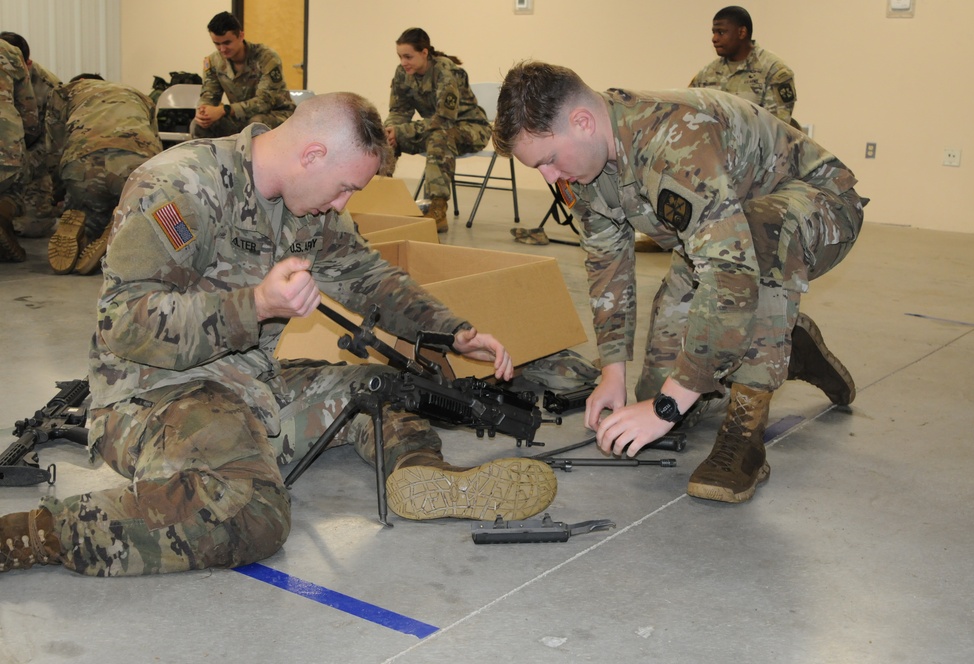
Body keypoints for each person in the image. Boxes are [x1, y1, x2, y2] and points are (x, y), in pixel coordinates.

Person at [0, 92, 557, 576]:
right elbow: (122, 324)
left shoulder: (310, 209)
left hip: (251, 385)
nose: (343, 206)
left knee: (380, 393)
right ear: (312, 155)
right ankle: (30, 533)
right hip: (154, 396)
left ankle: (419, 477)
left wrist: (451, 331)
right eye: (343, 189)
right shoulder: (181, 188)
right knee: (252, 513)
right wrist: (256, 305)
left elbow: (367, 276)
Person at [493, 61, 864, 504]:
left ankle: (743, 435)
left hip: (819, 206)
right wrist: (613, 372)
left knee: (757, 246)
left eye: (549, 160)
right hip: (725, 231)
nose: (549, 177)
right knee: (656, 394)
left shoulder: (673, 140)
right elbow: (607, 262)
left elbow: (731, 270)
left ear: (583, 122)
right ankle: (785, 345)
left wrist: (669, 405)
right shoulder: (586, 166)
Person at [44, 74, 162, 275]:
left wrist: (57, 191)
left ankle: (87, 226)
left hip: (82, 162)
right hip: (134, 164)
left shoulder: (65, 93)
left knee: (86, 206)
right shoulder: (140, 96)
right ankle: (117, 224)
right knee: (137, 208)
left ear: (78, 81)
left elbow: (54, 148)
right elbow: (156, 145)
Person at [384, 27, 491, 233]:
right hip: (434, 128)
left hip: (469, 128)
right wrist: (391, 130)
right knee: (384, 137)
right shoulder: (403, 73)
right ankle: (382, 195)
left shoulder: (446, 71)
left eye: (408, 56)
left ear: (424, 53)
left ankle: (437, 209)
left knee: (438, 137)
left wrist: (403, 130)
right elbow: (398, 111)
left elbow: (443, 119)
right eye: (400, 57)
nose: (403, 62)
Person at [193, 11, 295, 139]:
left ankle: (255, 159)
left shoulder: (266, 58)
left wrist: (224, 110)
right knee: (199, 125)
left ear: (241, 36)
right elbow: (209, 95)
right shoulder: (214, 62)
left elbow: (265, 102)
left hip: (277, 114)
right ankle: (210, 159)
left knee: (256, 124)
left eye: (227, 43)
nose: (222, 49)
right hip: (240, 118)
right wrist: (203, 112)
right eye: (217, 44)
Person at [689, 6, 797, 125]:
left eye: (721, 32)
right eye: (714, 33)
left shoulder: (773, 71)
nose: (714, 39)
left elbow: (777, 127)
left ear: (742, 32)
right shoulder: (706, 73)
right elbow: (689, 114)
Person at [0, 31, 62, 239]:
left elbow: (53, 143)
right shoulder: (10, 63)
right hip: (12, 148)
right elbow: (29, 123)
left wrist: (24, 163)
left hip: (33, 158)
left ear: (28, 63)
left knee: (32, 226)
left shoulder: (51, 88)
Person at [0, 38, 39, 263]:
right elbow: (29, 111)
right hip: (6, 143)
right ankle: (3, 214)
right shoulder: (11, 52)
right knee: (14, 185)